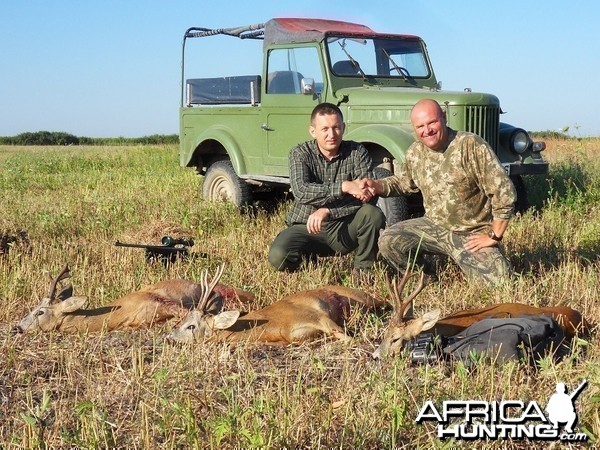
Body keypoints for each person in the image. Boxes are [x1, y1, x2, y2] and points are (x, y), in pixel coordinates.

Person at [365, 98, 516, 285]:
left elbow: (504, 191)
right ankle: (427, 280)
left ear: (444, 118)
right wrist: (376, 186)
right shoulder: (415, 152)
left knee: (501, 282)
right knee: (389, 241)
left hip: (471, 231)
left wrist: (494, 235)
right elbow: (405, 183)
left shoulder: (470, 145)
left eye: (432, 123)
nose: (426, 130)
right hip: (434, 226)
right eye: (420, 126)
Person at [268, 103, 385, 274]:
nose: (332, 134)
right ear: (313, 131)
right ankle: (308, 262)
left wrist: (328, 210)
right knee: (279, 256)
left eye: (336, 127)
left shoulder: (357, 152)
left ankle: (364, 271)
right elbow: (301, 191)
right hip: (306, 225)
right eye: (325, 129)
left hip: (345, 225)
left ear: (343, 127)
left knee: (372, 214)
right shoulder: (299, 153)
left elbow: (367, 194)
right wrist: (344, 186)